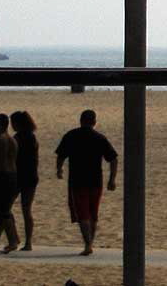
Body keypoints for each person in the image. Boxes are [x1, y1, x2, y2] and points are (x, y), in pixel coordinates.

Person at [55, 109, 118, 256]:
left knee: (82, 213)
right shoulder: (100, 138)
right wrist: (112, 179)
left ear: (80, 120)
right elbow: (113, 159)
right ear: (95, 122)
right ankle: (90, 242)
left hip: (77, 180)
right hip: (96, 180)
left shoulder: (71, 136)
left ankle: (88, 244)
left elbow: (61, 156)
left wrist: (59, 170)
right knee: (93, 212)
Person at [0, 113, 20, 253]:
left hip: (0, 178)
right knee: (4, 211)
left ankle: (13, 240)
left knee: (1, 211)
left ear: (1, 125)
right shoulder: (13, 140)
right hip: (13, 177)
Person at [10, 110, 39, 251]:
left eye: (13, 123)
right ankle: (28, 242)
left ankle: (15, 237)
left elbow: (13, 158)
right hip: (31, 176)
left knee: (7, 207)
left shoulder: (17, 138)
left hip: (19, 176)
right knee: (26, 209)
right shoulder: (32, 137)